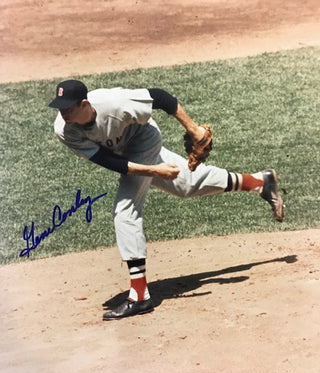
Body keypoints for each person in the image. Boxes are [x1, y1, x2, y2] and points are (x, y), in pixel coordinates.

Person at [48, 79, 284, 320]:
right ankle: (260, 182)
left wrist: (193, 129)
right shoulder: (64, 129)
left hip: (144, 139)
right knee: (187, 184)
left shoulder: (115, 104)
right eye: (60, 107)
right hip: (125, 154)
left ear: (84, 103)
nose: (63, 112)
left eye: (68, 107)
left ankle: (140, 296)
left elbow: (160, 97)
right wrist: (154, 170)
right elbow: (109, 161)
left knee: (125, 210)